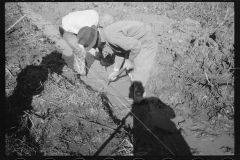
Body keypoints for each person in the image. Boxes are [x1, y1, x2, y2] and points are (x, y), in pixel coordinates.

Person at [76, 21, 158, 97]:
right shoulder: (105, 35)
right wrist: (116, 70)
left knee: (139, 69)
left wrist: (129, 60)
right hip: (135, 41)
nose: (97, 48)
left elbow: (136, 46)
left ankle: (139, 97)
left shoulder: (112, 37)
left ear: (97, 40)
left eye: (95, 46)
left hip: (146, 40)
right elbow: (120, 50)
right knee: (130, 65)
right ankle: (132, 78)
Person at [59, 10, 115, 75]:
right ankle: (81, 72)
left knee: (96, 38)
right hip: (66, 30)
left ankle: (101, 57)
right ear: (102, 24)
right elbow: (84, 45)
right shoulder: (89, 24)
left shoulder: (95, 14)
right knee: (80, 51)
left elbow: (98, 37)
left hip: (72, 23)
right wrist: (95, 53)